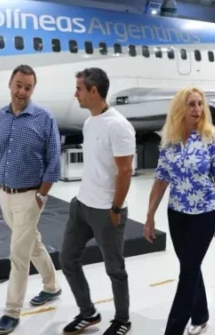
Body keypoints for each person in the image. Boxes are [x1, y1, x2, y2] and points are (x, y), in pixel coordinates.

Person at [143, 87, 215, 335]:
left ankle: (174, 329)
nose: (197, 109)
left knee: (189, 270)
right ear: (180, 108)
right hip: (177, 213)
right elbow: (160, 180)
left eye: (200, 104)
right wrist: (149, 217)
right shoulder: (169, 139)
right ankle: (200, 315)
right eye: (192, 104)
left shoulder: (211, 137)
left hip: (204, 213)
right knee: (189, 266)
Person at [59, 67, 136, 335]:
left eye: (79, 89)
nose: (75, 94)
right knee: (67, 259)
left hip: (107, 211)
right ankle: (88, 313)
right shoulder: (90, 122)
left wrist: (116, 208)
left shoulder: (119, 126)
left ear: (94, 91)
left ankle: (123, 320)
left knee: (115, 269)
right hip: (81, 205)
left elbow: (125, 171)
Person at [0, 64, 63, 335]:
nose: (22, 91)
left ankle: (11, 311)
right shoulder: (0, 116)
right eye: (18, 85)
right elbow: (1, 154)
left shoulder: (44, 118)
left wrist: (41, 196)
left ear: (33, 89)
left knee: (18, 254)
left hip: (30, 196)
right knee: (32, 243)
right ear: (10, 83)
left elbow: (53, 162)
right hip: (4, 194)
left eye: (28, 87)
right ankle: (51, 286)